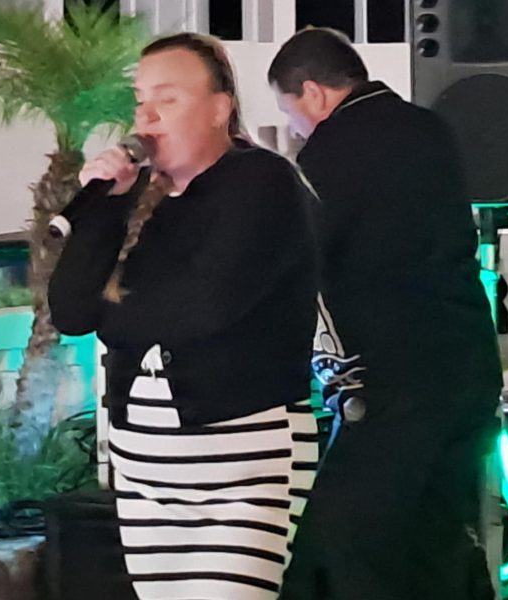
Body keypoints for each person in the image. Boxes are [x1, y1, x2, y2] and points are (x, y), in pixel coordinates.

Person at [49, 32, 320, 600]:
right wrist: (105, 205)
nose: (146, 116)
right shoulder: (141, 200)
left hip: (241, 468)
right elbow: (71, 311)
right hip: (147, 473)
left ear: (219, 109)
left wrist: (113, 319)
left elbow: (203, 306)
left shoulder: (263, 183)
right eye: (140, 101)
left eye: (167, 99)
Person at [268, 28, 504, 600]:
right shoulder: (429, 128)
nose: (295, 129)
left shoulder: (328, 154)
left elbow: (298, 262)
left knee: (346, 545)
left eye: (290, 112)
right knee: (436, 537)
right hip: (470, 366)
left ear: (315, 93)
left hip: (397, 383)